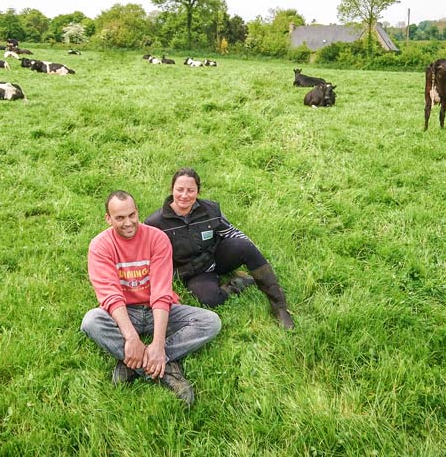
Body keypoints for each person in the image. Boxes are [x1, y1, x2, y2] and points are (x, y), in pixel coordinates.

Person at [81, 190, 221, 406]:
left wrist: (157, 344)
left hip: (159, 310)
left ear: (137, 212)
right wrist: (131, 338)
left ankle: (139, 362)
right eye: (119, 218)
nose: (128, 223)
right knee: (91, 321)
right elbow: (111, 296)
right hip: (126, 312)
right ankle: (166, 371)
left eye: (131, 215)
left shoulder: (157, 239)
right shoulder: (100, 246)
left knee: (211, 322)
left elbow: (161, 292)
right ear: (108, 219)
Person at [144, 168, 296, 329]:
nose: (184, 195)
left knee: (244, 245)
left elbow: (231, 232)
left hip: (217, 256)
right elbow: (149, 258)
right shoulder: (155, 223)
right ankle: (239, 282)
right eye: (180, 190)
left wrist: (251, 250)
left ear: (198, 191)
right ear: (171, 189)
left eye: (190, 190)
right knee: (210, 300)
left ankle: (279, 305)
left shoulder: (210, 210)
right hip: (193, 272)